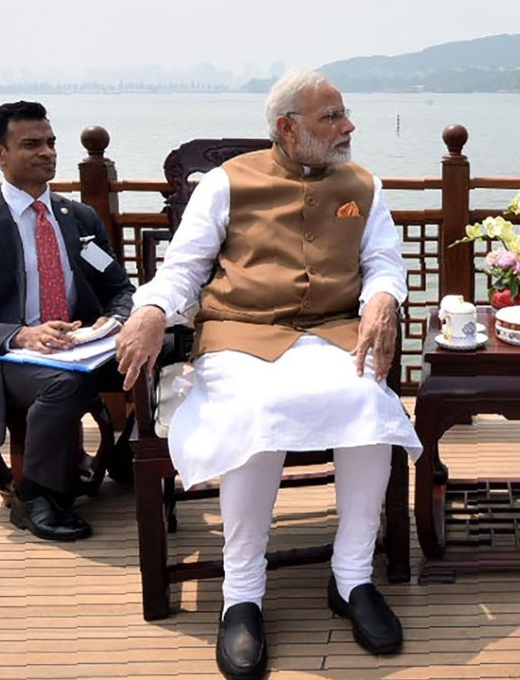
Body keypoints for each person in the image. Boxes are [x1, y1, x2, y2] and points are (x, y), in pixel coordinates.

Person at [115, 70, 422, 680]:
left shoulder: (363, 184)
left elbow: (384, 262)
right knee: (256, 413)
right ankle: (243, 594)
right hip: (240, 335)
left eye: (344, 113)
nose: (348, 126)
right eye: (331, 117)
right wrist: (151, 309)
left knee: (368, 404)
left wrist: (384, 299)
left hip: (331, 333)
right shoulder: (227, 183)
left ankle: (352, 577)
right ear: (288, 127)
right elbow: (184, 269)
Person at [0, 101, 134, 542]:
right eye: (31, 144)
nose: (47, 153)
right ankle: (36, 497)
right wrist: (20, 335)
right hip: (8, 356)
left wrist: (116, 321)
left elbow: (118, 287)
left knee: (166, 349)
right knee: (61, 384)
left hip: (83, 346)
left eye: (50, 143)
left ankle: (126, 457)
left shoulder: (79, 218)